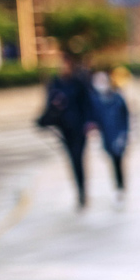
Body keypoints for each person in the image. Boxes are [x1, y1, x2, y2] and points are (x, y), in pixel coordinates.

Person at [37, 52, 94, 210]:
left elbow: (87, 104)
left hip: (79, 129)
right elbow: (48, 106)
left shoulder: (78, 83)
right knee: (72, 161)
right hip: (64, 130)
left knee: (78, 159)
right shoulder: (55, 84)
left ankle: (82, 190)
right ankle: (80, 191)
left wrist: (89, 123)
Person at [91, 69, 130, 206]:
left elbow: (126, 116)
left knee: (118, 162)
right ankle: (119, 188)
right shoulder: (96, 100)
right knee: (114, 162)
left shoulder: (117, 98)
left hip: (119, 136)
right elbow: (93, 119)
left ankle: (120, 188)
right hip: (107, 138)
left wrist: (125, 134)